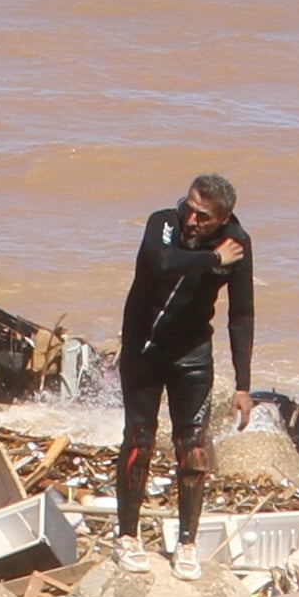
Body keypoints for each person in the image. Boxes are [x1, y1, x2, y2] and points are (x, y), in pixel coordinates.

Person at [114, 169, 256, 546]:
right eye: (190, 208)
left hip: (192, 355)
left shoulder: (238, 244)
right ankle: (127, 537)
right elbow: (159, 262)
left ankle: (187, 544)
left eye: (203, 216)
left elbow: (241, 314)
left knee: (192, 449)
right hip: (143, 350)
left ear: (223, 218)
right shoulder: (163, 222)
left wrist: (243, 385)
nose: (191, 220)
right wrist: (212, 258)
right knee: (139, 441)